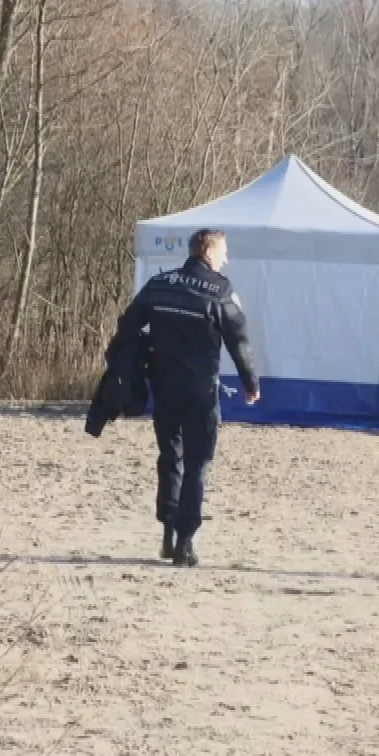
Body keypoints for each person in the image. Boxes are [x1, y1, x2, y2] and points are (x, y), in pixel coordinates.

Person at [113, 228, 260, 567]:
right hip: (200, 391)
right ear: (208, 252)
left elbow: (128, 326)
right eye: (224, 252)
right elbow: (238, 340)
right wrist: (251, 382)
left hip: (163, 387)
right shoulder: (221, 290)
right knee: (198, 463)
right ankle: (186, 541)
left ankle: (167, 531)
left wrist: (130, 369)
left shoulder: (159, 284)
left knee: (170, 457)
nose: (227, 259)